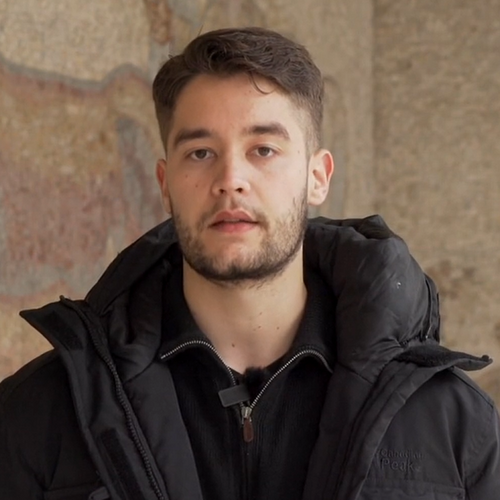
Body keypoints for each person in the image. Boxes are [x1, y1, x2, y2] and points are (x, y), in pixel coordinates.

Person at [0, 26, 499, 500]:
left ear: (318, 177)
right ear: (165, 184)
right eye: (200, 153)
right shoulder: (38, 413)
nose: (230, 179)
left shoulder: (455, 423)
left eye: (263, 149)